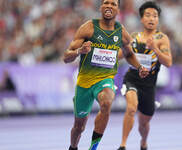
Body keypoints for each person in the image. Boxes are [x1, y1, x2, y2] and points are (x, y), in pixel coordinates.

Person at [63, 0, 149, 150]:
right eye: (106, 3)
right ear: (101, 7)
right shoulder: (88, 28)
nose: (109, 6)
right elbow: (66, 57)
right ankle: (73, 147)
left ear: (118, 9)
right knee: (78, 127)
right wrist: (79, 52)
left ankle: (93, 147)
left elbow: (129, 53)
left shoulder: (120, 31)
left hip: (105, 79)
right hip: (84, 83)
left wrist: (139, 66)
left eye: (113, 4)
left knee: (107, 101)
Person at [117, 1, 172, 150]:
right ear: (141, 19)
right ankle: (123, 145)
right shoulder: (134, 36)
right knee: (131, 108)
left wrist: (155, 48)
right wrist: (108, 54)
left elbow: (168, 62)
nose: (151, 18)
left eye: (155, 16)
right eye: (148, 15)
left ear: (158, 19)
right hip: (132, 79)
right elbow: (122, 54)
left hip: (149, 85)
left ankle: (143, 141)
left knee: (144, 123)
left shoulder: (162, 38)